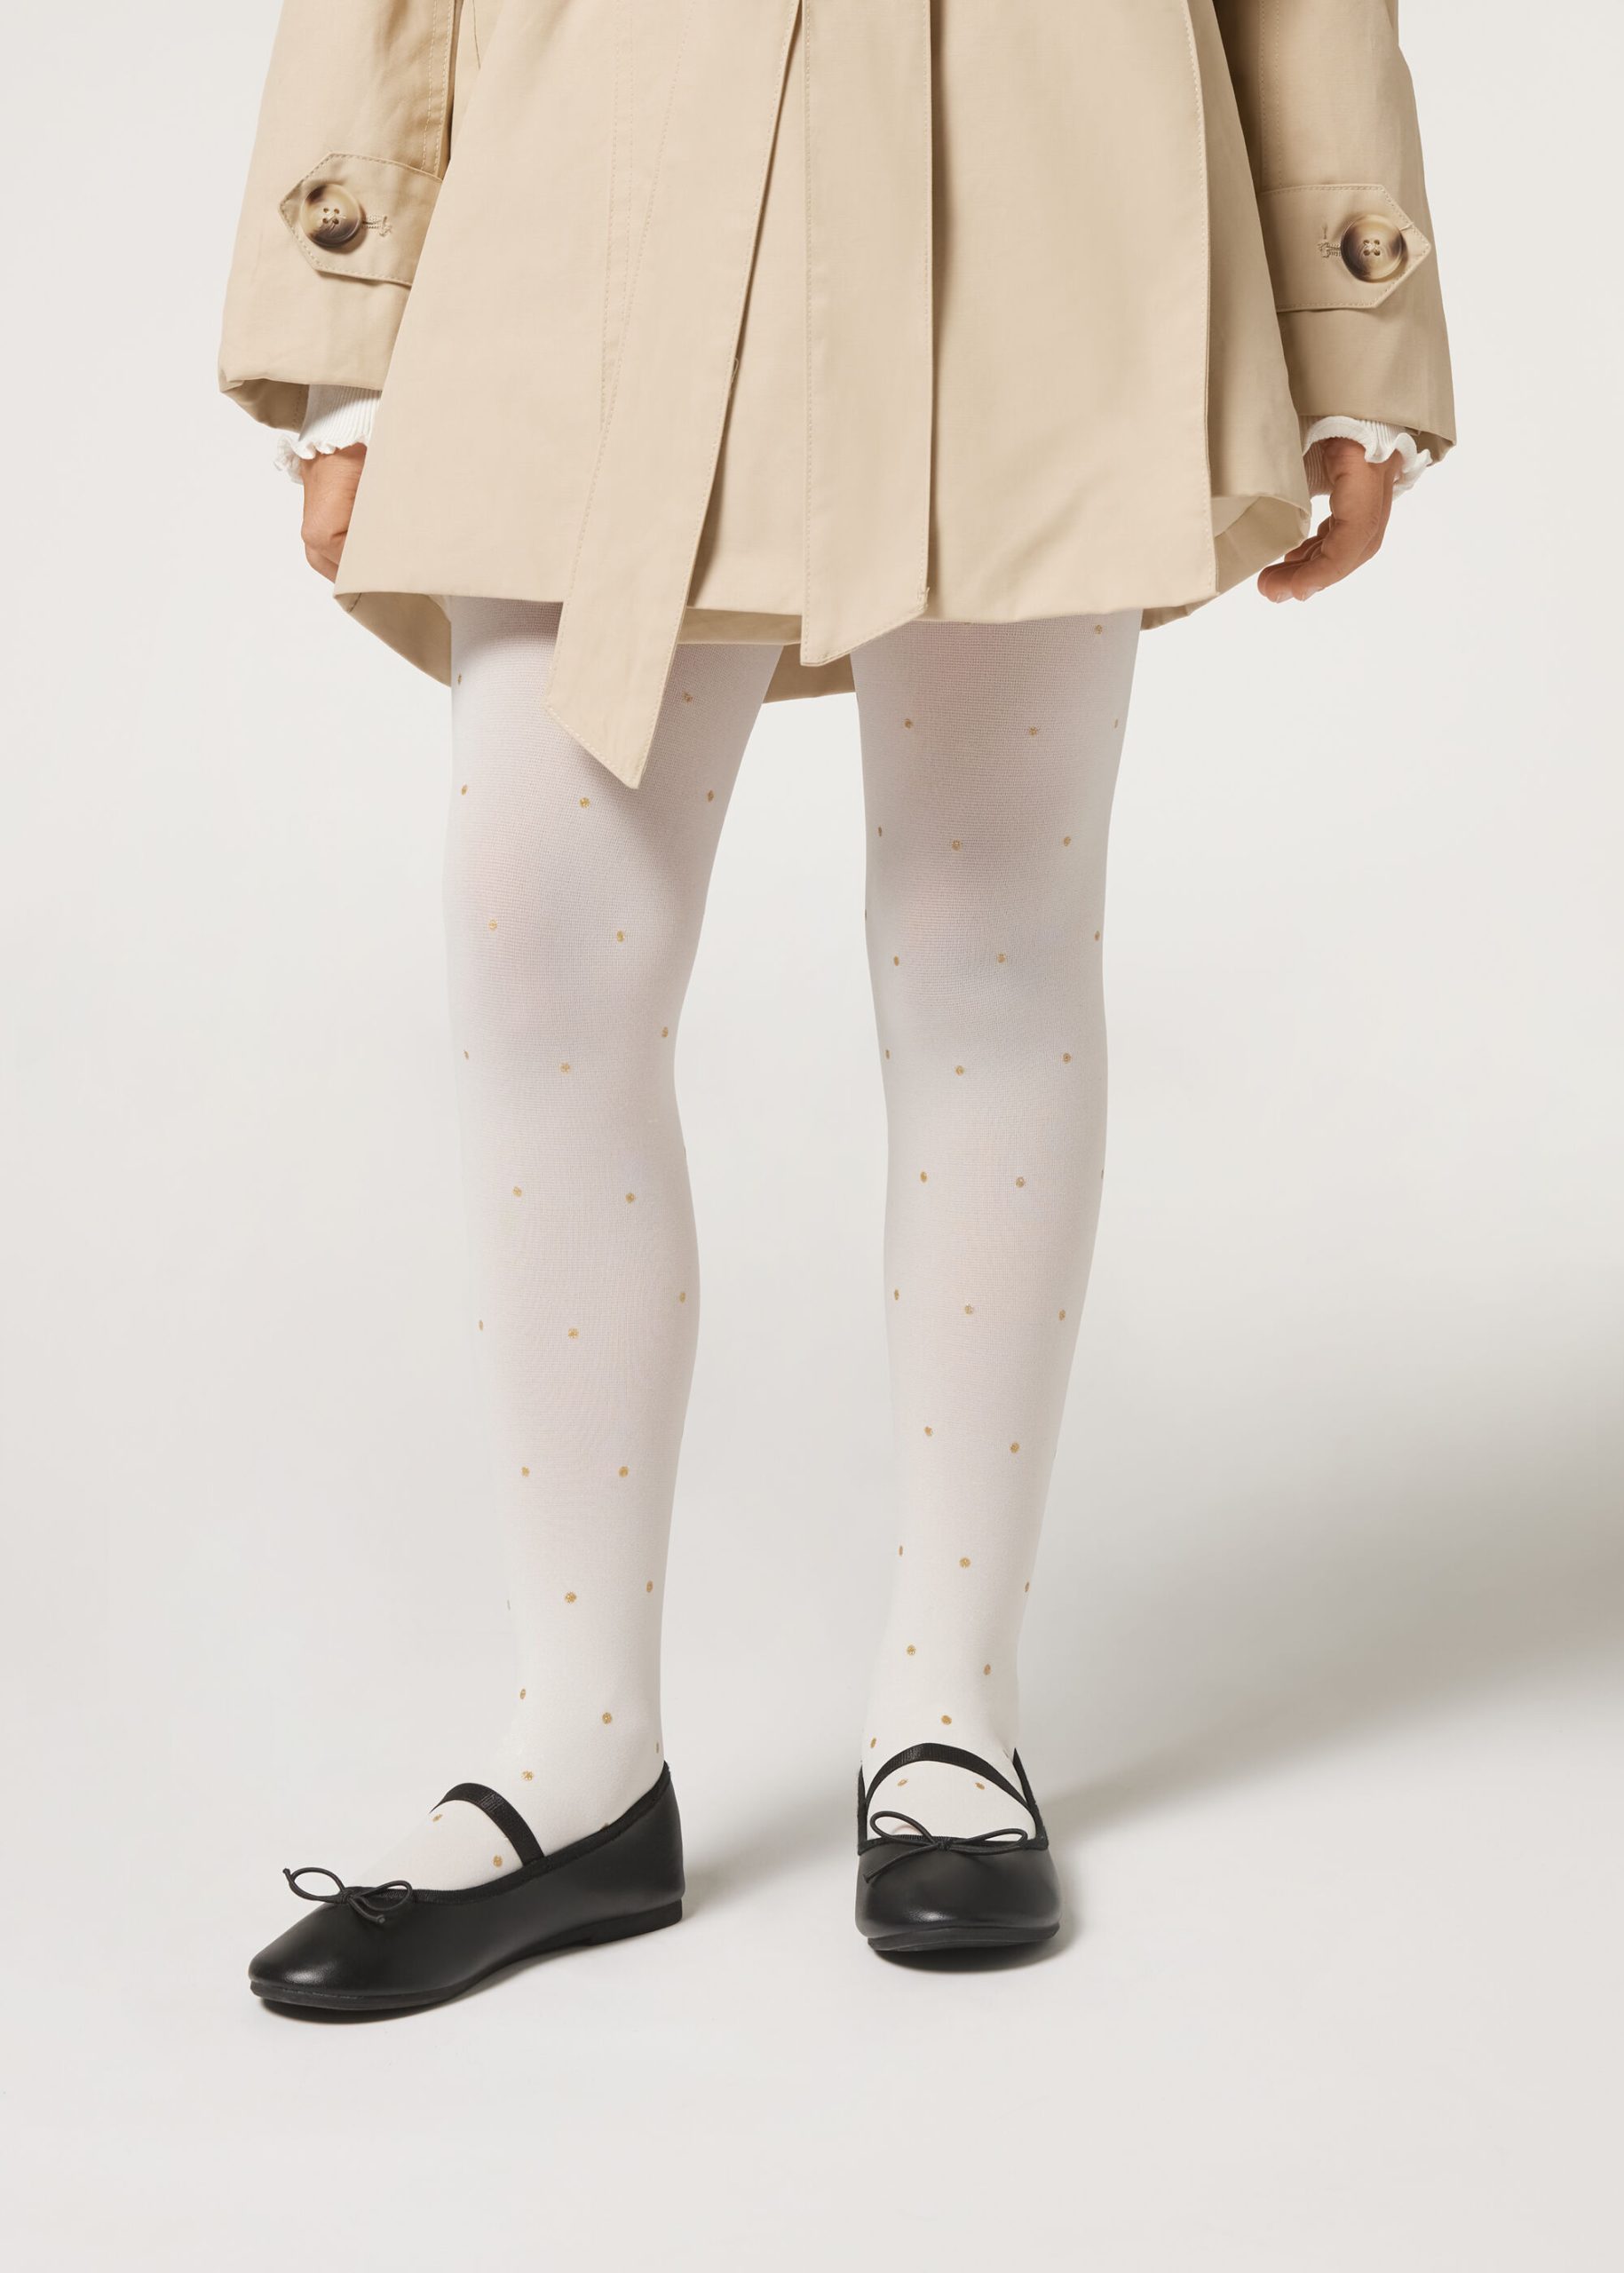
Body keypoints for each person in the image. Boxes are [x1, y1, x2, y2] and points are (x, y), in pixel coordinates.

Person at [221, 0, 1453, 2009]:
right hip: (596, 151)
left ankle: (952, 1712)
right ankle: (577, 1751)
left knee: (988, 941)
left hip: (1035, 149)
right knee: (541, 945)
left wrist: (1350, 307)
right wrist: (346, 303)